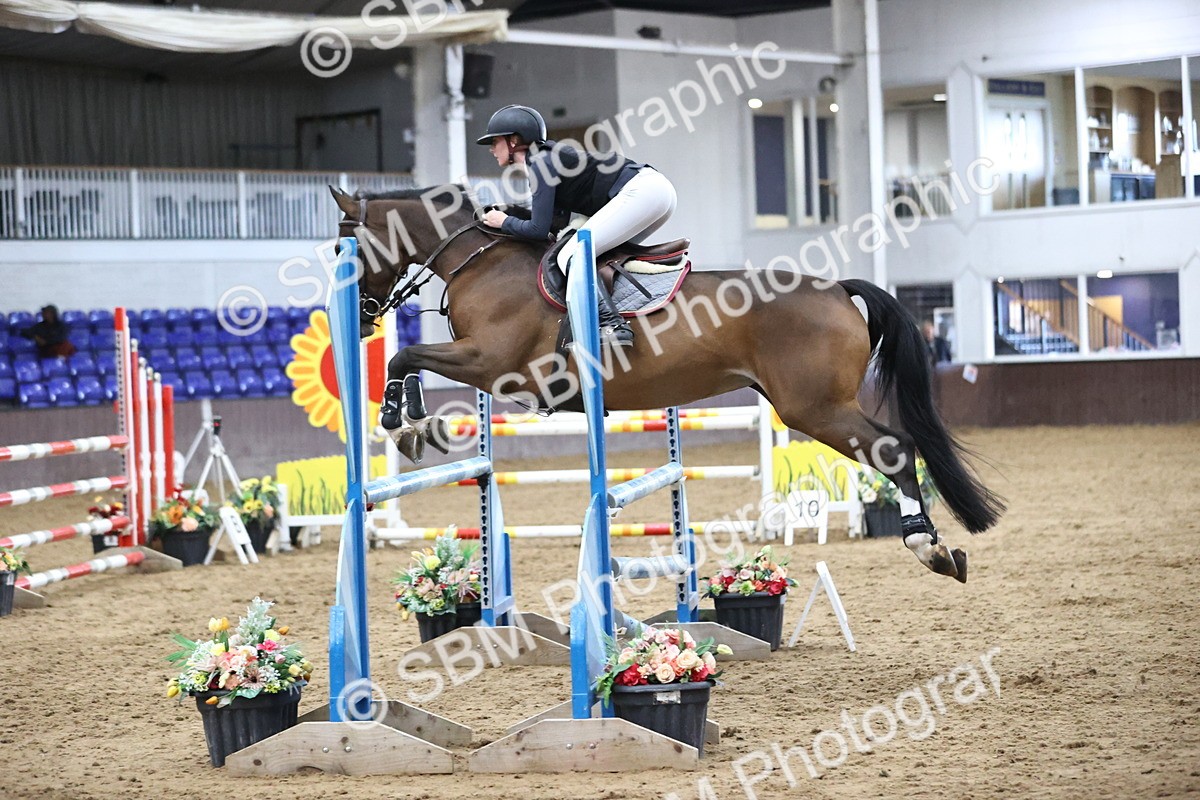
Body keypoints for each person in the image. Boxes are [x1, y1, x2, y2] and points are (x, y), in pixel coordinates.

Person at [477, 104, 677, 347]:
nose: (490, 149)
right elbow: (551, 228)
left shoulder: (540, 163)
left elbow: (537, 230)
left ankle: (612, 325)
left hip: (642, 192)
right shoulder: (545, 159)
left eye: (494, 141)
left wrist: (504, 221)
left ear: (514, 140)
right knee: (595, 255)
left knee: (572, 255)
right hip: (656, 193)